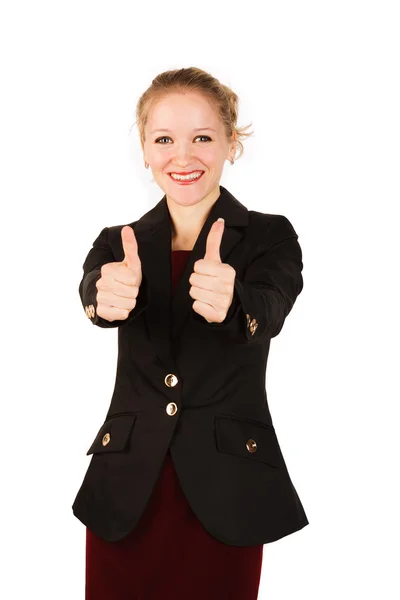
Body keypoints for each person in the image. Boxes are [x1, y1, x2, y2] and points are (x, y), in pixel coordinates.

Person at [72, 66, 309, 600]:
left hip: (227, 487)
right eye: (165, 139)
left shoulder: (270, 236)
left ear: (231, 142)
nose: (183, 156)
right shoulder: (118, 243)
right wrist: (102, 299)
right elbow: (95, 293)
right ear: (145, 148)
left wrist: (234, 303)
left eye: (202, 137)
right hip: (127, 492)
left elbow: (269, 308)